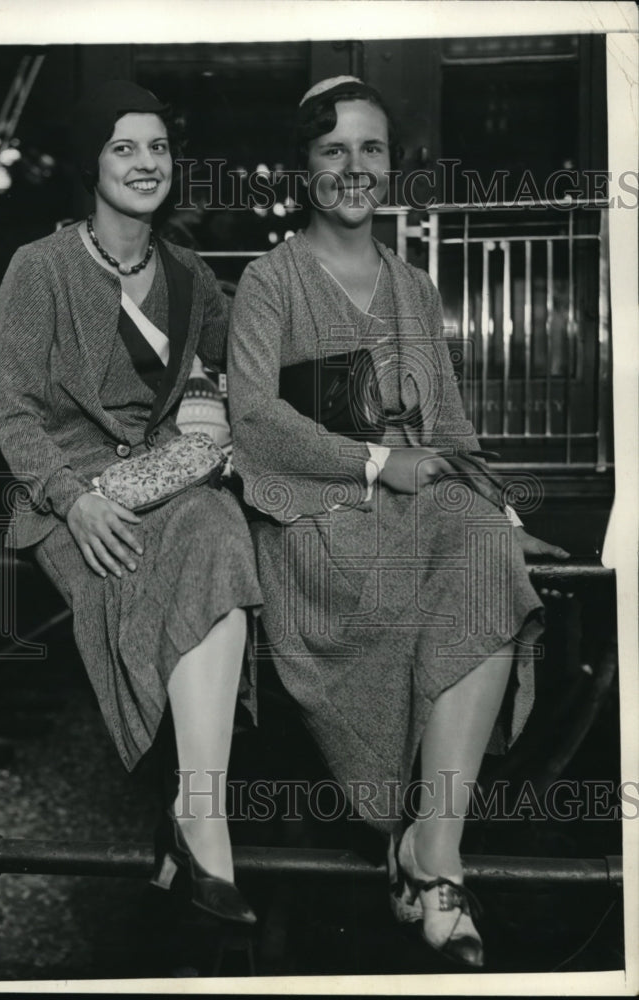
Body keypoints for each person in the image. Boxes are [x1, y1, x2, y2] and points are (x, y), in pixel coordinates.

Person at [227, 76, 569, 965]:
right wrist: (378, 461)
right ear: (305, 169)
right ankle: (426, 860)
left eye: (370, 149)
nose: (354, 168)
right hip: (317, 516)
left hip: (417, 503)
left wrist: (497, 511)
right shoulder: (271, 279)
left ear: (392, 165)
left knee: (491, 554)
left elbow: (448, 429)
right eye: (333, 150)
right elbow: (256, 421)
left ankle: (435, 843)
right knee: (433, 556)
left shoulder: (413, 287)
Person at [0, 80, 262, 925]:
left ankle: (199, 812)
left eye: (158, 147)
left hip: (164, 480)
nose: (147, 163)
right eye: (124, 147)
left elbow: (239, 372)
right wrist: (72, 501)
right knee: (187, 550)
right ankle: (194, 825)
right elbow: (15, 414)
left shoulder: (188, 274)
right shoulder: (39, 269)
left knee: (218, 528)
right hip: (70, 494)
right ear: (93, 163)